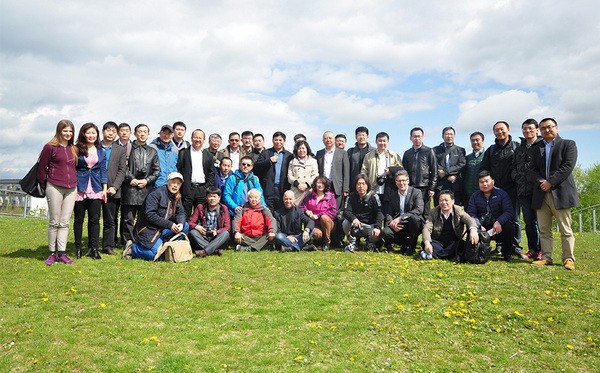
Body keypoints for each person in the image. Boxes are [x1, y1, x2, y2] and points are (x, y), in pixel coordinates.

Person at [530, 118, 578, 270]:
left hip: (560, 192)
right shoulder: (536, 148)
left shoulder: (568, 144)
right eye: (543, 128)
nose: (547, 130)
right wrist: (541, 182)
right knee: (544, 229)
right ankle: (546, 257)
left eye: (549, 127)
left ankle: (568, 258)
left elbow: (567, 166)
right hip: (541, 193)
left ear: (557, 127)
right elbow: (531, 169)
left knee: (565, 229)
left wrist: (550, 182)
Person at [37, 119, 78, 265]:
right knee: (54, 221)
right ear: (59, 131)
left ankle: (62, 253)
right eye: (65, 130)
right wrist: (45, 185)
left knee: (65, 222)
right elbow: (42, 169)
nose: (68, 133)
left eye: (70, 131)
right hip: (54, 186)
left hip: (72, 188)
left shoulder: (74, 148)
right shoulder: (50, 147)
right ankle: (52, 253)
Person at [123, 172, 189, 260]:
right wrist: (170, 225)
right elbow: (150, 215)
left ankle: (165, 246)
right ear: (168, 182)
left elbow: (180, 212)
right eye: (173, 182)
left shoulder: (177, 196)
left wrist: (180, 223)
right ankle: (133, 249)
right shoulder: (155, 194)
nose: (175, 185)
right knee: (155, 255)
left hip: (163, 229)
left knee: (185, 226)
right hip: (149, 230)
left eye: (178, 183)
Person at [481, 121, 521, 255]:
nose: (500, 132)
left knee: (514, 218)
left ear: (508, 130)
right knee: (496, 217)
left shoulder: (517, 147)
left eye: (502, 129)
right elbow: (484, 169)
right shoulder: (491, 150)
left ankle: (515, 245)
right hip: (496, 190)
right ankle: (500, 245)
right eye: (496, 130)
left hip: (513, 188)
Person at [73, 123, 107, 260]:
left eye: (94, 133)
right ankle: (78, 249)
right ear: (83, 134)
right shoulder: (76, 149)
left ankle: (94, 248)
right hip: (79, 187)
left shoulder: (101, 151)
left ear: (97, 135)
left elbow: (103, 170)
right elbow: (73, 168)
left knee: (95, 219)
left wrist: (104, 188)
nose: (91, 135)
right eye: (88, 133)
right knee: (78, 219)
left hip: (96, 188)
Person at [121, 124, 160, 243]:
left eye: (145, 132)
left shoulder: (153, 151)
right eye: (140, 131)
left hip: (146, 189)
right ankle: (128, 242)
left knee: (144, 218)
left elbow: (156, 170)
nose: (142, 134)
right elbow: (123, 166)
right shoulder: (128, 149)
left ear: (148, 134)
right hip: (130, 188)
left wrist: (146, 181)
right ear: (135, 133)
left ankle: (140, 240)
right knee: (128, 218)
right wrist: (131, 178)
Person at [467, 171, 515, 262]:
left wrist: (499, 221)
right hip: (482, 226)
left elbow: (509, 211)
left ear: (493, 181)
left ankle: (507, 253)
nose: (484, 184)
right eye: (481, 182)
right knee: (470, 227)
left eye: (487, 181)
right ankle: (476, 252)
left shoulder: (502, 194)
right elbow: (471, 213)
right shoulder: (474, 196)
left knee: (510, 227)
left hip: (497, 226)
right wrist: (478, 225)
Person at [421, 190, 479, 260]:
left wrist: (473, 230)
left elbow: (470, 220)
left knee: (463, 244)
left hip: (455, 241)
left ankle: (434, 255)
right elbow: (427, 227)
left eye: (446, 200)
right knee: (425, 242)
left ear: (453, 201)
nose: (443, 203)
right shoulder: (433, 212)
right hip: (439, 241)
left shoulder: (458, 210)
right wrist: (427, 243)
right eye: (441, 200)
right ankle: (452, 255)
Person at [315, 131, 350, 247]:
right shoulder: (319, 153)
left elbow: (346, 172)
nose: (328, 140)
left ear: (334, 139)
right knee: (323, 212)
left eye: (330, 138)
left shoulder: (342, 153)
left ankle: (337, 239)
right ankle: (324, 238)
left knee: (337, 214)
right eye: (325, 138)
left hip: (338, 187)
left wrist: (345, 188)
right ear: (323, 140)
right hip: (324, 186)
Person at [514, 119, 542, 260]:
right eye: (524, 129)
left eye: (530, 128)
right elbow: (514, 166)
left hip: (539, 190)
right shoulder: (519, 148)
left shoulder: (542, 145)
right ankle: (533, 249)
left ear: (537, 129)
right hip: (523, 191)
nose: (527, 131)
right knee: (529, 223)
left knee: (542, 222)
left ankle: (543, 250)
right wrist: (516, 178)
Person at [100, 121, 127, 255]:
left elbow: (122, 170)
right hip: (94, 187)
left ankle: (108, 245)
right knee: (93, 218)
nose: (110, 133)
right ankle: (91, 245)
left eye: (113, 131)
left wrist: (115, 187)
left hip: (112, 189)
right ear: (103, 131)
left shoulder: (120, 149)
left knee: (110, 219)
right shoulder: (95, 146)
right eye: (108, 130)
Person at [360, 131, 403, 214]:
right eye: (380, 141)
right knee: (374, 213)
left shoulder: (394, 155)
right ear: (376, 141)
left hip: (389, 189)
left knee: (388, 213)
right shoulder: (368, 156)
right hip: (373, 188)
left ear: (388, 141)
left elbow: (401, 171)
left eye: (384, 141)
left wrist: (390, 171)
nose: (382, 143)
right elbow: (364, 171)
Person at [382, 170, 424, 255]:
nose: (401, 183)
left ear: (408, 181)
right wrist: (391, 224)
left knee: (414, 218)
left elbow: (419, 210)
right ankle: (404, 244)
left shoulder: (416, 192)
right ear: (395, 182)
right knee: (385, 232)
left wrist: (400, 218)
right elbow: (389, 213)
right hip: (399, 225)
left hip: (412, 223)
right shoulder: (393, 196)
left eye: (404, 180)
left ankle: (411, 247)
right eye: (399, 181)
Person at [177, 129, 215, 218]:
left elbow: (211, 173)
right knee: (185, 214)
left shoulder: (208, 155)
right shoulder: (183, 153)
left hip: (202, 189)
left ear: (204, 140)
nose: (197, 140)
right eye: (195, 137)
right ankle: (185, 231)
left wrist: (207, 187)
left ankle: (198, 231)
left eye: (200, 138)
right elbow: (179, 170)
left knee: (201, 215)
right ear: (191, 138)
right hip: (187, 188)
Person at [342, 174, 384, 252]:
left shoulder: (374, 196)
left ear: (367, 185)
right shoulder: (350, 197)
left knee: (375, 235)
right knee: (345, 223)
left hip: (370, 225)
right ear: (355, 185)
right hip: (356, 225)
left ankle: (371, 242)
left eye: (363, 184)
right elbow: (346, 211)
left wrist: (377, 227)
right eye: (358, 184)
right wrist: (353, 219)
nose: (361, 186)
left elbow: (380, 212)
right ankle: (353, 242)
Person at [402, 127, 437, 219]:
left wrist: (432, 188)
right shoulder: (407, 153)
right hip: (410, 187)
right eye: (414, 136)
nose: (417, 139)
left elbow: (434, 170)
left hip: (424, 187)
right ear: (411, 138)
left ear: (423, 137)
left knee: (425, 211)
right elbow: (404, 170)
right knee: (411, 210)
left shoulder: (429, 151)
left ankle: (425, 231)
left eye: (419, 136)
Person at [254, 131, 293, 211]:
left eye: (280, 140)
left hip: (282, 188)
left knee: (281, 211)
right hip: (268, 187)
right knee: (268, 211)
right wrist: (269, 161)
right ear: (272, 141)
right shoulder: (266, 153)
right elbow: (257, 167)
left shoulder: (289, 155)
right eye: (276, 140)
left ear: (284, 141)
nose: (278, 142)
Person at [187, 187, 231, 257]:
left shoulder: (223, 208)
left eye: (214, 196)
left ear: (219, 198)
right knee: (193, 232)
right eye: (210, 196)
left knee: (225, 233)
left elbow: (227, 227)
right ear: (206, 197)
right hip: (203, 235)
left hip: (216, 236)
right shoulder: (200, 207)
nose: (212, 199)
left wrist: (217, 232)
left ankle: (204, 251)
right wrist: (197, 226)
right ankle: (214, 250)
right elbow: (190, 222)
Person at [301, 176, 337, 250]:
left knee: (324, 217)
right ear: (315, 184)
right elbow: (301, 207)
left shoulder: (330, 196)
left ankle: (327, 242)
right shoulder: (309, 197)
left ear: (325, 185)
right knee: (317, 234)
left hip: (328, 223)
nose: (320, 185)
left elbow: (333, 211)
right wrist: (306, 211)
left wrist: (318, 215)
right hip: (315, 224)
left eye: (322, 183)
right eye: (318, 183)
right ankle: (319, 241)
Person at [433, 127, 466, 205]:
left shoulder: (460, 150)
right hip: (440, 184)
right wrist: (445, 175)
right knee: (439, 208)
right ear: (442, 136)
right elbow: (434, 163)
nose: (449, 136)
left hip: (454, 183)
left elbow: (462, 164)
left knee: (455, 208)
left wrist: (446, 172)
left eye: (451, 134)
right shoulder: (435, 150)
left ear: (454, 136)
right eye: (447, 134)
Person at [287, 140, 318, 205]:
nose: (301, 150)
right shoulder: (292, 162)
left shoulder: (313, 161)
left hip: (308, 190)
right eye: (299, 148)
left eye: (303, 148)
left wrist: (306, 185)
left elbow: (315, 176)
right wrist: (297, 184)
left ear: (307, 149)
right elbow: (289, 176)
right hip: (296, 190)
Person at [463, 132, 485, 201]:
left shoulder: (487, 155)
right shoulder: (467, 157)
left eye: (477, 140)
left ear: (482, 141)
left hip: (483, 193)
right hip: (468, 193)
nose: (475, 142)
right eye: (472, 140)